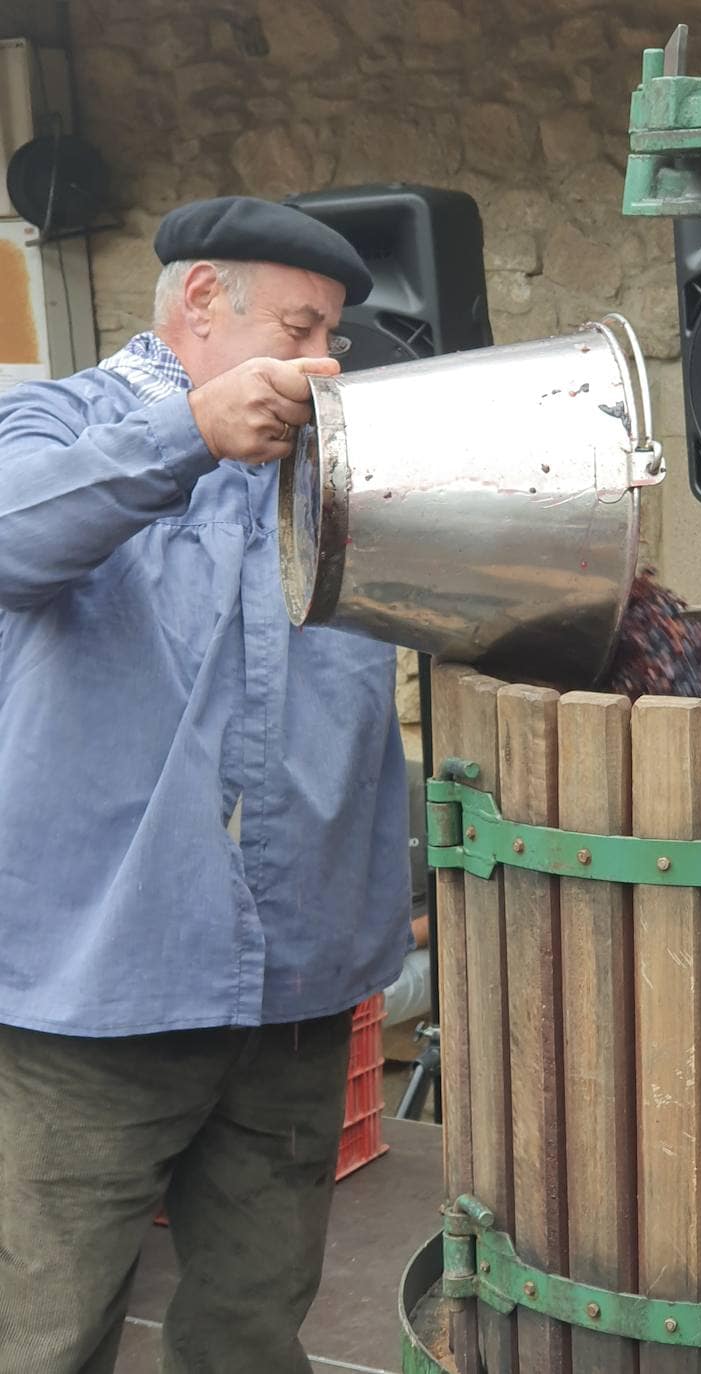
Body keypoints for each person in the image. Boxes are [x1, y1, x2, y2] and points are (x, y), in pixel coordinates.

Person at [0, 197, 411, 1374]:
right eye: (300, 326)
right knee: (41, 1334)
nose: (323, 360)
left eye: (332, 334)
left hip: (297, 985)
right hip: (94, 995)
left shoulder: (348, 466)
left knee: (249, 1331)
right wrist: (189, 435)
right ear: (198, 304)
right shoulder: (50, 422)